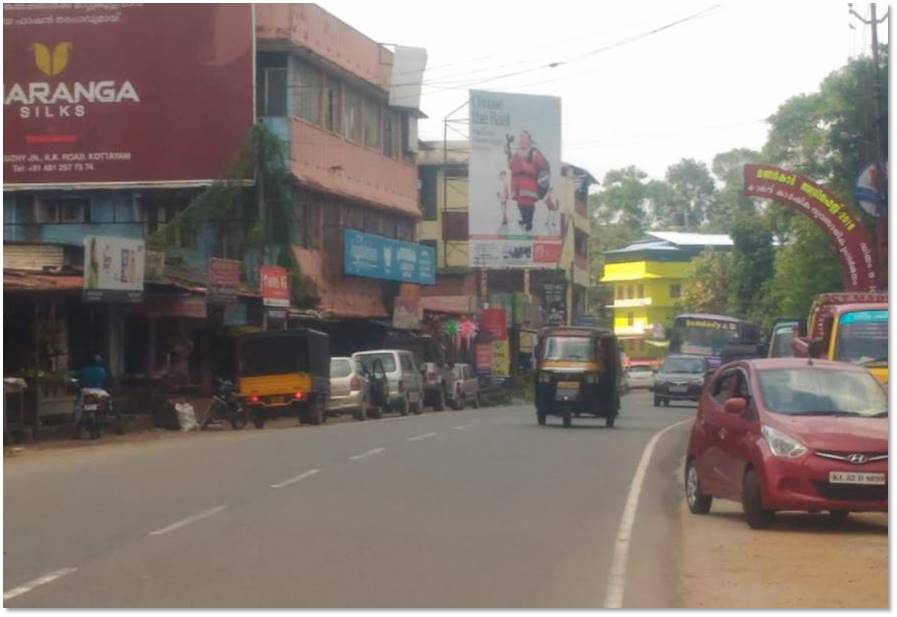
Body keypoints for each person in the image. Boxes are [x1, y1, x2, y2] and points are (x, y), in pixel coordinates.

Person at [505, 130, 551, 233]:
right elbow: (510, 165)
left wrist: (529, 168)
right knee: (520, 203)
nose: (521, 140)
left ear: (529, 140)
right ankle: (524, 219)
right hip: (517, 184)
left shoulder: (534, 152)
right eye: (520, 137)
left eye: (524, 138)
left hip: (529, 183)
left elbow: (543, 166)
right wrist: (509, 152)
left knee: (528, 203)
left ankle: (529, 222)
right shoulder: (517, 153)